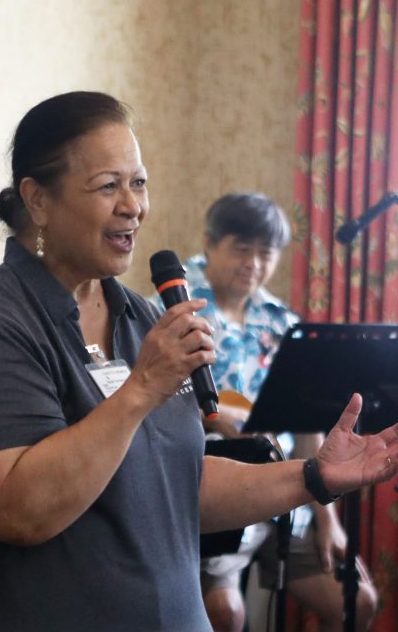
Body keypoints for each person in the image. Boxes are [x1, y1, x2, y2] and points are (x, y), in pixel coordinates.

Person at [0, 91, 398, 632]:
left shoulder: (139, 317)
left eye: (138, 183)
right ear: (37, 199)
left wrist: (314, 477)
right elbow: (18, 512)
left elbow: (179, 483)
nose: (133, 206)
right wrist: (141, 390)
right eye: (108, 186)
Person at [149, 192, 377, 632]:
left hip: (288, 487)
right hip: (211, 487)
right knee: (225, 614)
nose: (253, 263)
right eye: (241, 249)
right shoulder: (169, 308)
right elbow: (150, 402)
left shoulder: (281, 322)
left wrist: (327, 517)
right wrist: (210, 417)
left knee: (356, 602)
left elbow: (307, 424)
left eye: (266, 253)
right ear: (210, 243)